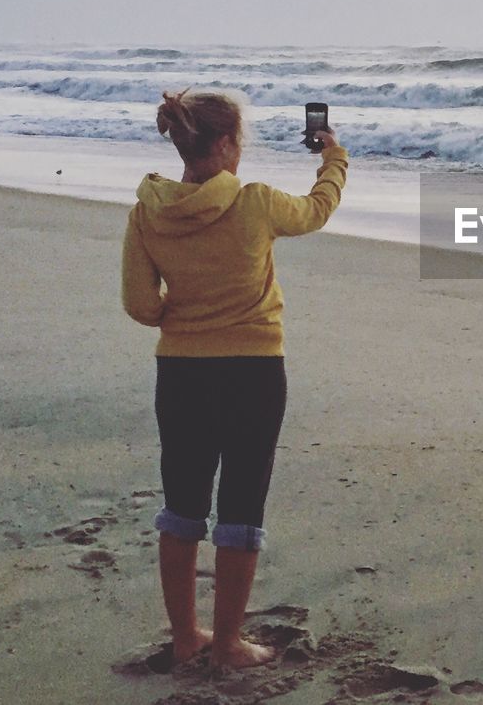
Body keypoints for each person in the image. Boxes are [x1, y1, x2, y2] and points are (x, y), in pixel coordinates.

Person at [121, 89, 347, 669]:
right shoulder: (257, 203)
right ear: (223, 145)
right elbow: (317, 210)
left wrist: (187, 310)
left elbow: (142, 305)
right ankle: (226, 644)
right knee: (242, 503)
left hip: (180, 374)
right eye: (238, 141)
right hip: (253, 372)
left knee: (182, 505)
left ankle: (184, 636)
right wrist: (333, 158)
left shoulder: (148, 209)